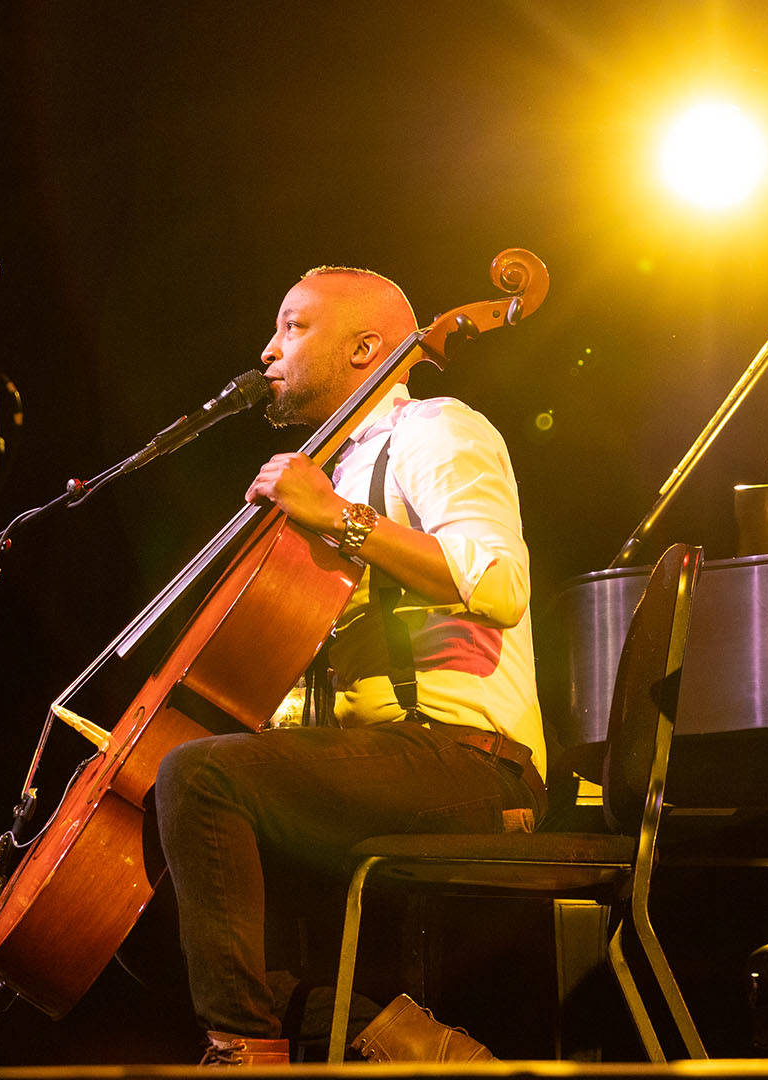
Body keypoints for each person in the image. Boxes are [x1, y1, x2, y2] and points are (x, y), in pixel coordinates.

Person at [152, 266, 546, 1065]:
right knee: (145, 898)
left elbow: (498, 581)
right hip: (377, 759)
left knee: (199, 779)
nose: (268, 350)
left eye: (294, 327)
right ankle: (426, 1052)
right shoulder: (331, 467)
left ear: (368, 347)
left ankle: (245, 1059)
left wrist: (336, 516)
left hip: (467, 762)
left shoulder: (436, 428)